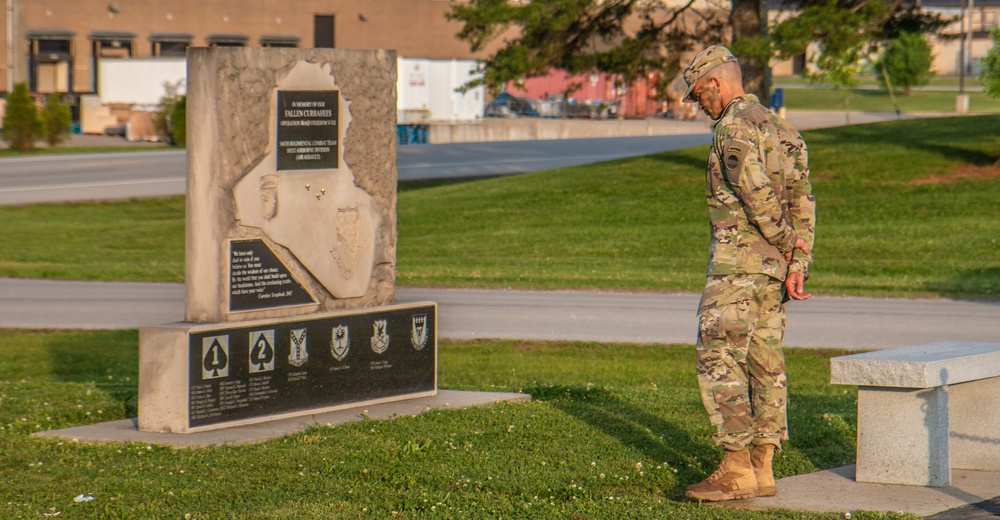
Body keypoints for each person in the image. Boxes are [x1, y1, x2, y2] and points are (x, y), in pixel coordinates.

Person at [680, 45, 816, 502]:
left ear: (717, 83)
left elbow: (756, 194)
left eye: (699, 95)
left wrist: (782, 241)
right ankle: (762, 468)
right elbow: (803, 199)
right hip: (773, 274)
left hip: (738, 267)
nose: (699, 105)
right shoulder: (780, 125)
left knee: (718, 356)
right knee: (765, 362)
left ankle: (735, 468)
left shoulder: (732, 126)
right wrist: (797, 261)